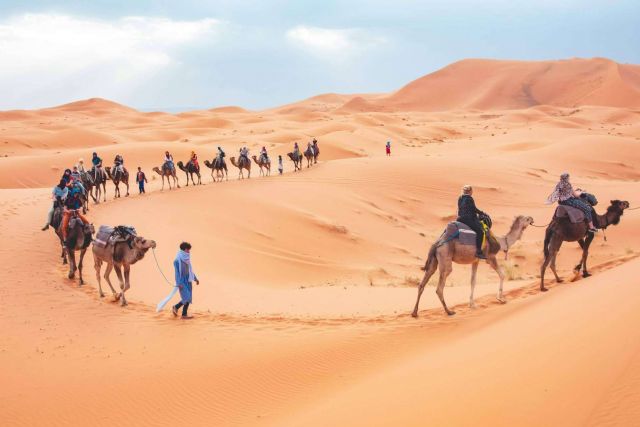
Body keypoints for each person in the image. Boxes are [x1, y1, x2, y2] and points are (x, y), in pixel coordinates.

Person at [457, 185, 487, 259]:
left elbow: (459, 209)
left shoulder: (460, 198)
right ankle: (478, 252)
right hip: (468, 219)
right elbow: (474, 209)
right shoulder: (470, 198)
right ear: (470, 191)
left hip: (460, 219)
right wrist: (482, 213)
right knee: (480, 232)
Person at [172, 242, 199, 319]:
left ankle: (181, 312)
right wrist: (179, 283)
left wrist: (195, 278)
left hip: (188, 280)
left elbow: (190, 271)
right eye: (188, 250)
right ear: (184, 250)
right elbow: (177, 273)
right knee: (186, 297)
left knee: (188, 297)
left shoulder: (187, 259)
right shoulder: (177, 260)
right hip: (181, 281)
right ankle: (179, 310)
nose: (189, 251)